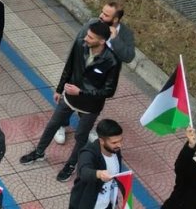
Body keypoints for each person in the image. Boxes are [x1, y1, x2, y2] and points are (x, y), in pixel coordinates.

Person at [19, 22, 121, 183]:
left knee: (81, 136)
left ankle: (71, 165)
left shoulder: (112, 61)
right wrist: (59, 89)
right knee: (53, 124)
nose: (85, 38)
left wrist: (81, 92)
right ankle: (39, 152)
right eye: (87, 35)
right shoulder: (80, 45)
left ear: (102, 41)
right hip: (69, 98)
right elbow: (69, 67)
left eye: (90, 37)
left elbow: (109, 91)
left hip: (90, 107)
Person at [52, 1, 137, 145]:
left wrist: (115, 39)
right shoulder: (93, 23)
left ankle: (86, 125)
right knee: (69, 99)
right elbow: (77, 45)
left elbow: (128, 56)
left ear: (115, 19)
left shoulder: (125, 34)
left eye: (106, 15)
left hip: (101, 77)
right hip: (82, 71)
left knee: (92, 102)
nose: (101, 16)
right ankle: (61, 124)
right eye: (102, 12)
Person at [68, 119, 124, 209]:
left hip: (107, 203)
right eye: (114, 142)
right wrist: (99, 174)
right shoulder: (88, 153)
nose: (119, 145)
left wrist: (114, 202)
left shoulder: (115, 150)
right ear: (101, 141)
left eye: (120, 140)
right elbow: (84, 172)